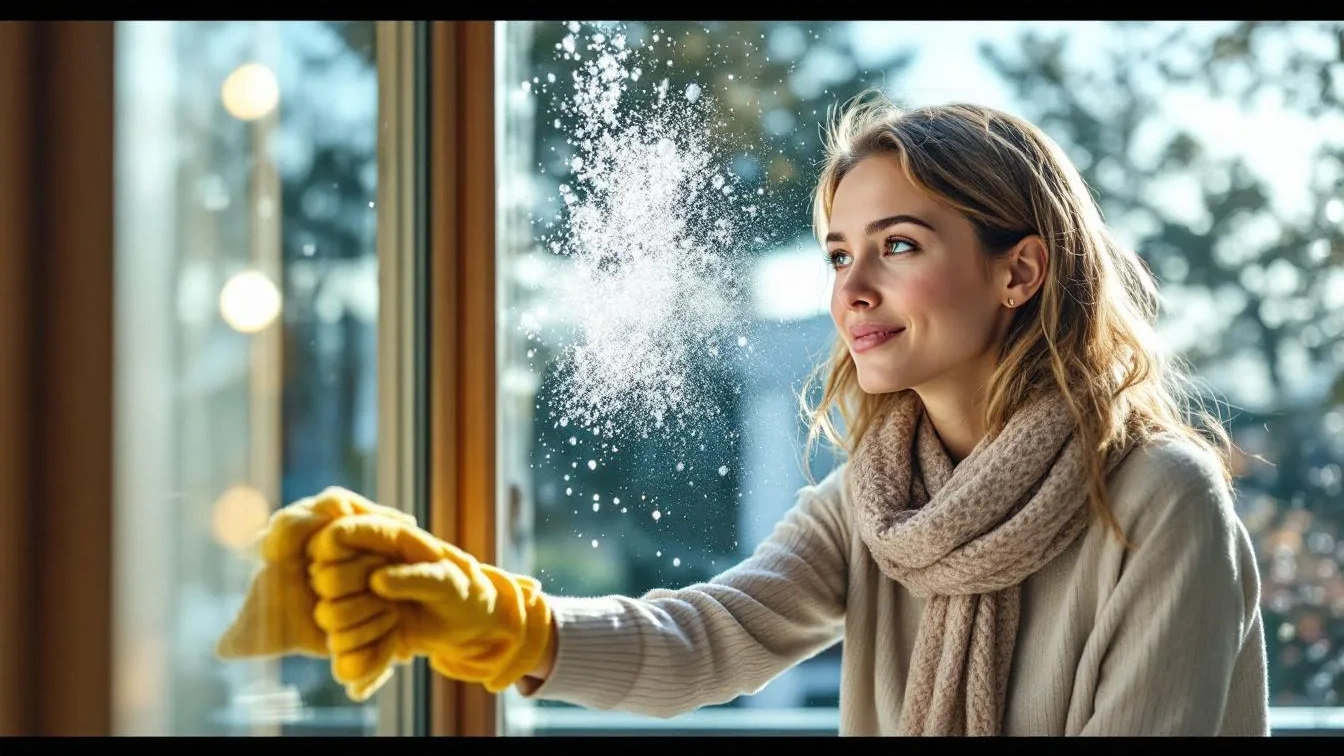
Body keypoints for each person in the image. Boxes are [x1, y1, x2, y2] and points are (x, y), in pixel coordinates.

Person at [216, 88, 1270, 736]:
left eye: (899, 246)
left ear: (1020, 271)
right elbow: (707, 640)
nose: (853, 290)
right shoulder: (877, 499)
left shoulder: (1158, 500)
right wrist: (506, 626)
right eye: (840, 255)